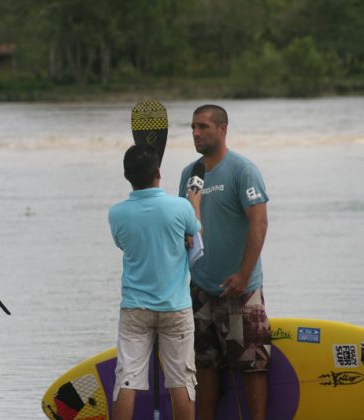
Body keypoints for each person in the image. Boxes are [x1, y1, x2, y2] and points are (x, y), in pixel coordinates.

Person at [178, 104, 270, 420]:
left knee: (252, 364)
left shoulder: (243, 170)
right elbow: (185, 229)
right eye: (192, 127)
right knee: (204, 365)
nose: (196, 133)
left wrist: (244, 275)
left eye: (203, 126)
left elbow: (259, 223)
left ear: (223, 128)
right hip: (200, 288)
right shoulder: (189, 174)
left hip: (240, 288)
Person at [108, 144, 202, 420]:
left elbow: (124, 245)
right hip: (175, 308)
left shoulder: (116, 214)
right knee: (182, 383)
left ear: (127, 176)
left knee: (126, 381)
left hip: (135, 308)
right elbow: (195, 234)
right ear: (158, 172)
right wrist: (194, 201)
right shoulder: (180, 207)